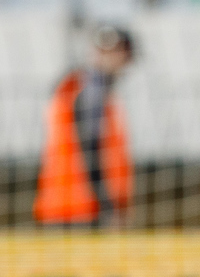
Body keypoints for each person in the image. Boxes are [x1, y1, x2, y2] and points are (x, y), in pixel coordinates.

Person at [33, 23, 135, 227]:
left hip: (64, 204)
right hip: (83, 209)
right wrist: (109, 206)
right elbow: (90, 150)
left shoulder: (73, 86)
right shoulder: (91, 91)